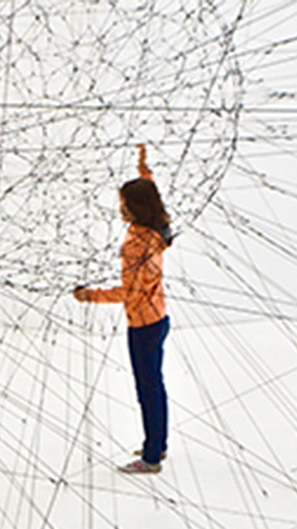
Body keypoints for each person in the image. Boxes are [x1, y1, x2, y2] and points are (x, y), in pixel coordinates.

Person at [73, 145, 173, 474]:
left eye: (124, 203)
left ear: (135, 208)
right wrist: (143, 169)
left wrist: (90, 296)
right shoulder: (158, 229)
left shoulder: (136, 245)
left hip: (142, 324)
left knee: (147, 389)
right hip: (159, 317)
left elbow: (128, 293)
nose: (120, 208)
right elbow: (152, 190)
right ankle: (158, 443)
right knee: (155, 384)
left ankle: (151, 457)